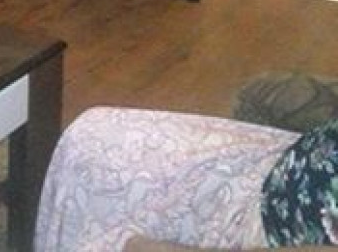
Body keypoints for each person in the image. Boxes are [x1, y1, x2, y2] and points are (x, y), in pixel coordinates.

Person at [34, 105, 338, 252]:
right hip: (278, 165)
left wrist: (156, 248)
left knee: (96, 167)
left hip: (263, 232)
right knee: (88, 138)